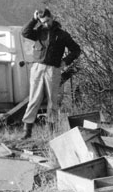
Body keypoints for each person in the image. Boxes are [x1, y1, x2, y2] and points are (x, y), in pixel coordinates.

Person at [20, 8, 81, 139]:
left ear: (52, 17)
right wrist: (34, 19)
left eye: (47, 21)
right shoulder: (38, 32)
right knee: (34, 99)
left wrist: (65, 61)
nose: (46, 24)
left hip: (53, 69)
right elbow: (24, 33)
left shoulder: (63, 35)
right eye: (43, 22)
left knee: (52, 102)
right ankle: (27, 131)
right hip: (37, 68)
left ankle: (52, 131)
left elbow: (76, 50)